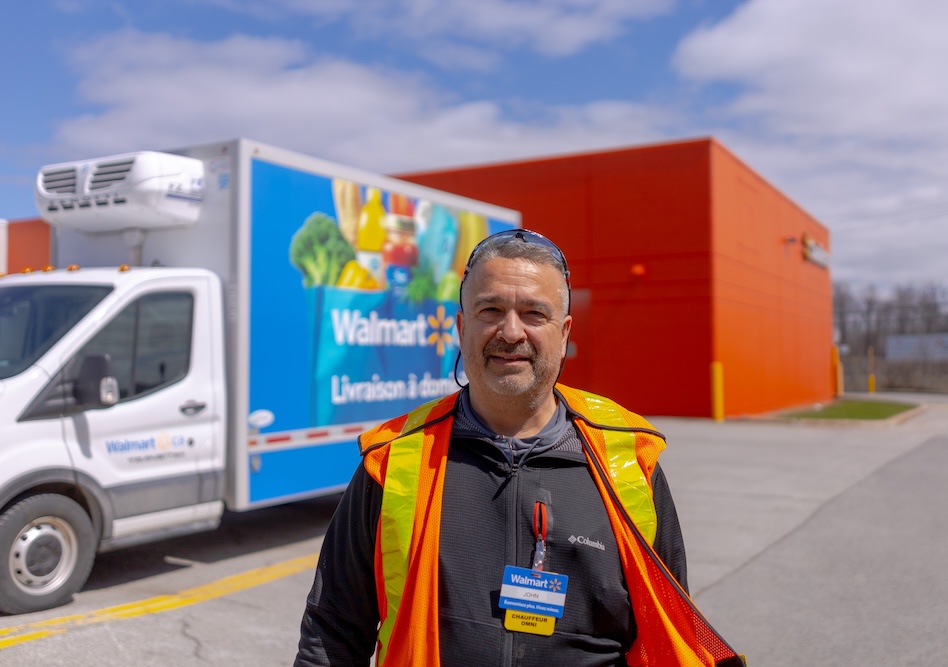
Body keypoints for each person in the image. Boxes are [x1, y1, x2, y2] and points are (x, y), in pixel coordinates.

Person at [294, 230, 744, 667]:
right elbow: (332, 631)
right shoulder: (394, 459)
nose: (511, 332)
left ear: (564, 331)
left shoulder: (628, 461)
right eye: (490, 309)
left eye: (534, 313)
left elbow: (671, 630)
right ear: (461, 326)